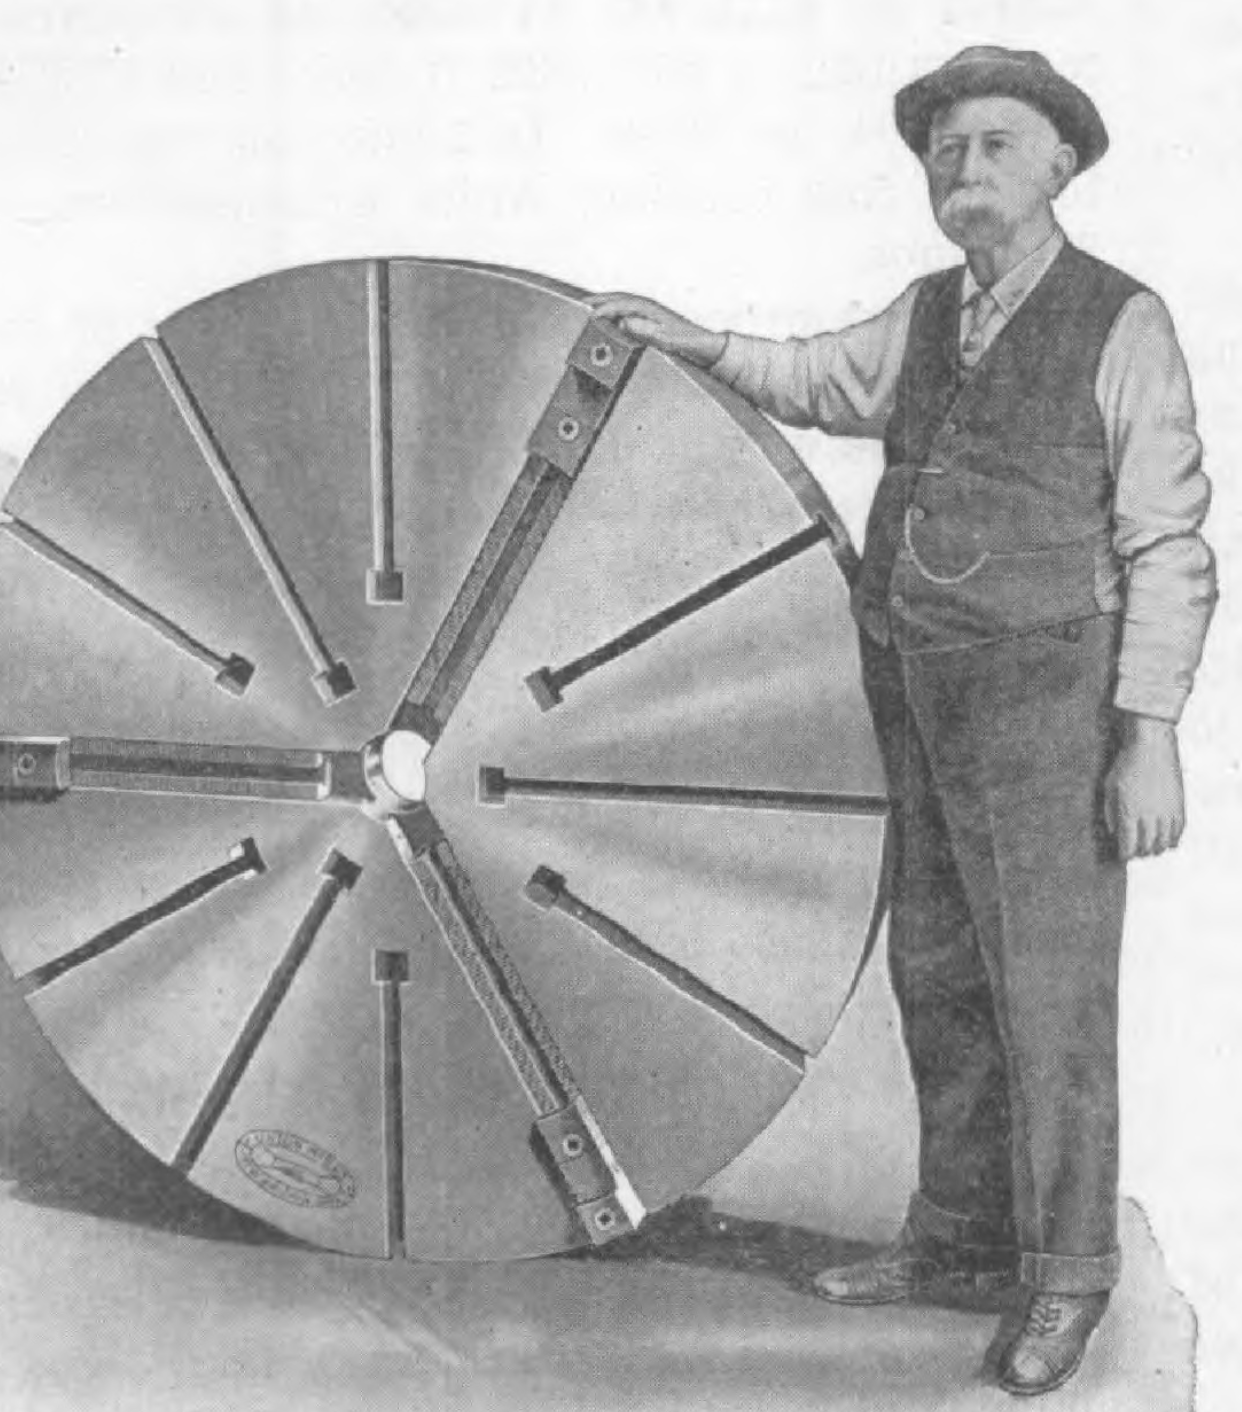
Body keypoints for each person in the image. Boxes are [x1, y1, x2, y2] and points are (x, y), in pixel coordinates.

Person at [590, 45, 1215, 1398]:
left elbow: (1168, 542)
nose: (962, 168)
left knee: (1051, 1000)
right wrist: (703, 344)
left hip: (1052, 706)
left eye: (996, 145)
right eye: (945, 150)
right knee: (936, 973)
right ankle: (961, 1245)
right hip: (919, 688)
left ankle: (1068, 1277)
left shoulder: (1123, 320)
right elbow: (822, 378)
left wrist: (1150, 729)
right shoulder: (931, 314)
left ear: (1061, 165)